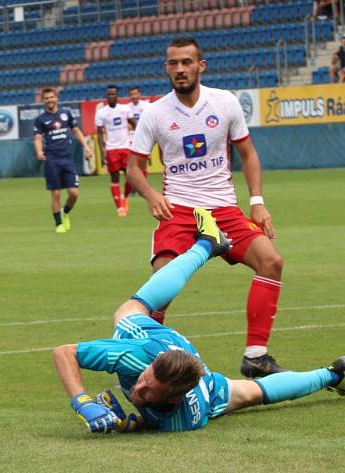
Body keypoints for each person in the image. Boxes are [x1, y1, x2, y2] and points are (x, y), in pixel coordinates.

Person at [52, 208, 345, 433]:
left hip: (202, 380)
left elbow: (151, 422)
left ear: (173, 399)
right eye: (144, 380)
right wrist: (84, 403)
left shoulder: (186, 418)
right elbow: (65, 352)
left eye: (147, 389)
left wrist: (126, 423)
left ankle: (334, 373)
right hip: (159, 342)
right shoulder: (137, 357)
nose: (137, 389)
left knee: (249, 394)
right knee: (132, 310)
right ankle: (207, 244)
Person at [126, 37, 286, 378]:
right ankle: (148, 359)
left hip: (224, 209)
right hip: (180, 210)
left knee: (271, 262)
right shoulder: (154, 112)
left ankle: (256, 357)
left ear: (201, 65)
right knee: (161, 283)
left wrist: (256, 202)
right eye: (173, 63)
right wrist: (152, 195)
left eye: (186, 62)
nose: (179, 69)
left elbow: (248, 154)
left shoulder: (224, 102)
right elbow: (133, 168)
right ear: (166, 68)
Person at [33, 87, 93, 233]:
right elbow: (38, 138)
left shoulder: (66, 114)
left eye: (51, 97)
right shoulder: (41, 119)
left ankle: (65, 212)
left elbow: (76, 130)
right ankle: (59, 224)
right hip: (52, 160)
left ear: (56, 98)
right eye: (46, 98)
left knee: (74, 193)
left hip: (67, 159)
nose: (49, 100)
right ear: (43, 101)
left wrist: (85, 146)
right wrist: (39, 151)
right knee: (56, 193)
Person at [95, 84, 133, 217]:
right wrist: (101, 151)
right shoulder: (101, 113)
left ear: (117, 95)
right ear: (107, 96)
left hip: (125, 147)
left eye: (113, 94)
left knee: (131, 177)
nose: (111, 96)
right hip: (111, 149)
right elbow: (99, 133)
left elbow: (134, 124)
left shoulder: (125, 109)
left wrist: (137, 139)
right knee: (115, 178)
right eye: (109, 94)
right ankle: (120, 208)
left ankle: (125, 197)